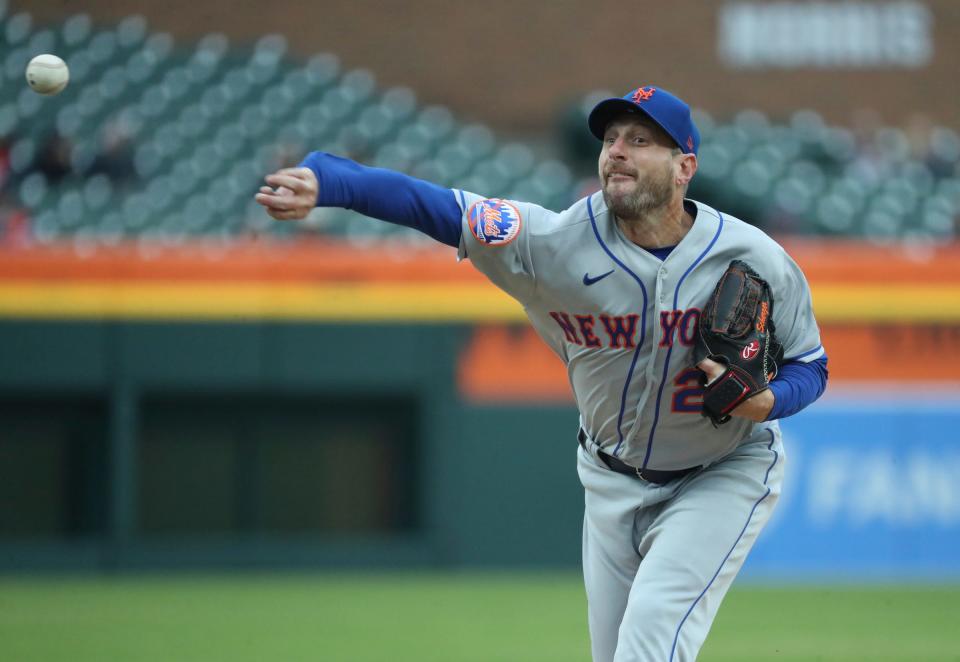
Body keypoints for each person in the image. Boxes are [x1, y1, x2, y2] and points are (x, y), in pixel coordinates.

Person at [255, 85, 828, 661]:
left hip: (724, 469)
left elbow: (811, 365)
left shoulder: (752, 255)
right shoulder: (553, 244)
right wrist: (328, 181)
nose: (617, 151)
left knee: (650, 638)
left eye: (639, 140)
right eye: (610, 139)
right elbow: (436, 207)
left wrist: (766, 402)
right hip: (610, 478)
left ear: (685, 167)